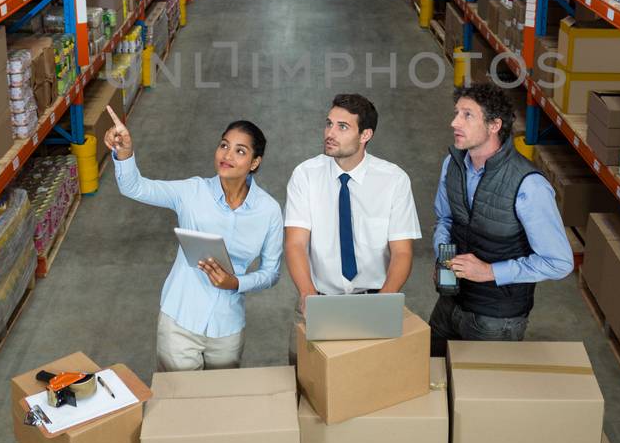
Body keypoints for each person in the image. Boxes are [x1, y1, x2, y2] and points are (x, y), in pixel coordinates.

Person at [104, 105, 283, 371]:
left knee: (220, 402)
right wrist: (125, 153)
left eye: (240, 151)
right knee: (179, 401)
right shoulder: (192, 192)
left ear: (255, 162)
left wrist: (236, 282)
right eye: (224, 145)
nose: (227, 155)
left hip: (227, 328)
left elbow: (271, 272)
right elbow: (135, 187)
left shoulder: (268, 211)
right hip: (180, 322)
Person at [430, 81, 573, 359]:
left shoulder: (528, 185)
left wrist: (490, 272)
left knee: (479, 397)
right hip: (450, 302)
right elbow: (445, 219)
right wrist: (442, 257)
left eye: (467, 115)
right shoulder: (453, 164)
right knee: (427, 376)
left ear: (494, 125)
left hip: (496, 319)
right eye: (456, 113)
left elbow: (560, 262)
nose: (454, 122)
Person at [284, 93, 421, 310]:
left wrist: (384, 301)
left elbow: (402, 251)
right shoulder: (305, 175)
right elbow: (296, 243)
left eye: (342, 127)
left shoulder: (394, 180)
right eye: (329, 124)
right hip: (318, 297)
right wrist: (307, 294)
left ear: (365, 134)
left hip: (376, 297)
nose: (330, 133)